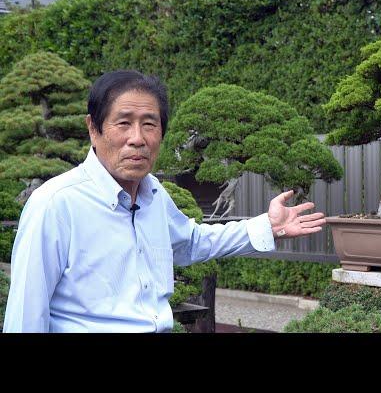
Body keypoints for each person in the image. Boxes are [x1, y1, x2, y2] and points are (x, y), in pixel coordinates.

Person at [3, 70, 326, 333]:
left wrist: (267, 226)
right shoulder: (56, 204)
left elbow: (191, 242)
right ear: (93, 128)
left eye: (149, 124)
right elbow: (26, 314)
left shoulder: (153, 193)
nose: (137, 138)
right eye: (123, 122)